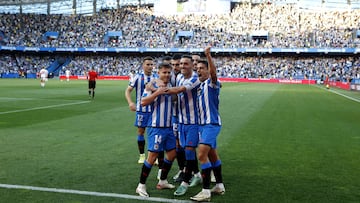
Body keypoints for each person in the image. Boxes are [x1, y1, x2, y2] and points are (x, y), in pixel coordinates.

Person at [135, 62, 177, 197]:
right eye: (164, 72)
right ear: (158, 73)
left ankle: (163, 180)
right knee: (152, 157)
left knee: (171, 154)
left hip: (169, 127)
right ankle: (141, 185)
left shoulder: (171, 85)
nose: (167, 75)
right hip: (156, 127)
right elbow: (143, 101)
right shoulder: (152, 85)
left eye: (168, 72)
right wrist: (157, 92)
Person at [190, 45, 225, 202]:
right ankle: (219, 185)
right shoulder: (199, 87)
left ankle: (205, 191)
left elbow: (213, 74)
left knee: (201, 154)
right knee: (212, 155)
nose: (199, 71)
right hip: (202, 126)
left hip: (211, 125)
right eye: (197, 69)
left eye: (202, 68)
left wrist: (208, 55)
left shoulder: (212, 83)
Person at [165, 55, 202, 196]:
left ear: (192, 65)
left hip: (193, 122)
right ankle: (197, 174)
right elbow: (176, 96)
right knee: (185, 150)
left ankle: (185, 183)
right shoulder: (180, 77)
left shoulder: (194, 79)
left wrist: (160, 91)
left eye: (186, 63)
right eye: (181, 64)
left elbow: (180, 90)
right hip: (181, 121)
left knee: (189, 150)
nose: (182, 66)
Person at [125, 56, 157, 164]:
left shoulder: (156, 77)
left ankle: (153, 156)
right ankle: (142, 155)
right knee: (140, 132)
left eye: (151, 64)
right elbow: (128, 91)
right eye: (147, 64)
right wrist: (130, 103)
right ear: (143, 65)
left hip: (154, 110)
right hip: (142, 110)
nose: (150, 66)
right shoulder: (137, 77)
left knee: (153, 133)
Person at [170, 54, 187, 183]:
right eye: (173, 65)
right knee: (177, 144)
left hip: (187, 116)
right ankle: (183, 170)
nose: (176, 67)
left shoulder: (184, 77)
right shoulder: (170, 76)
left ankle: (190, 171)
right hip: (175, 115)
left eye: (178, 64)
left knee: (189, 145)